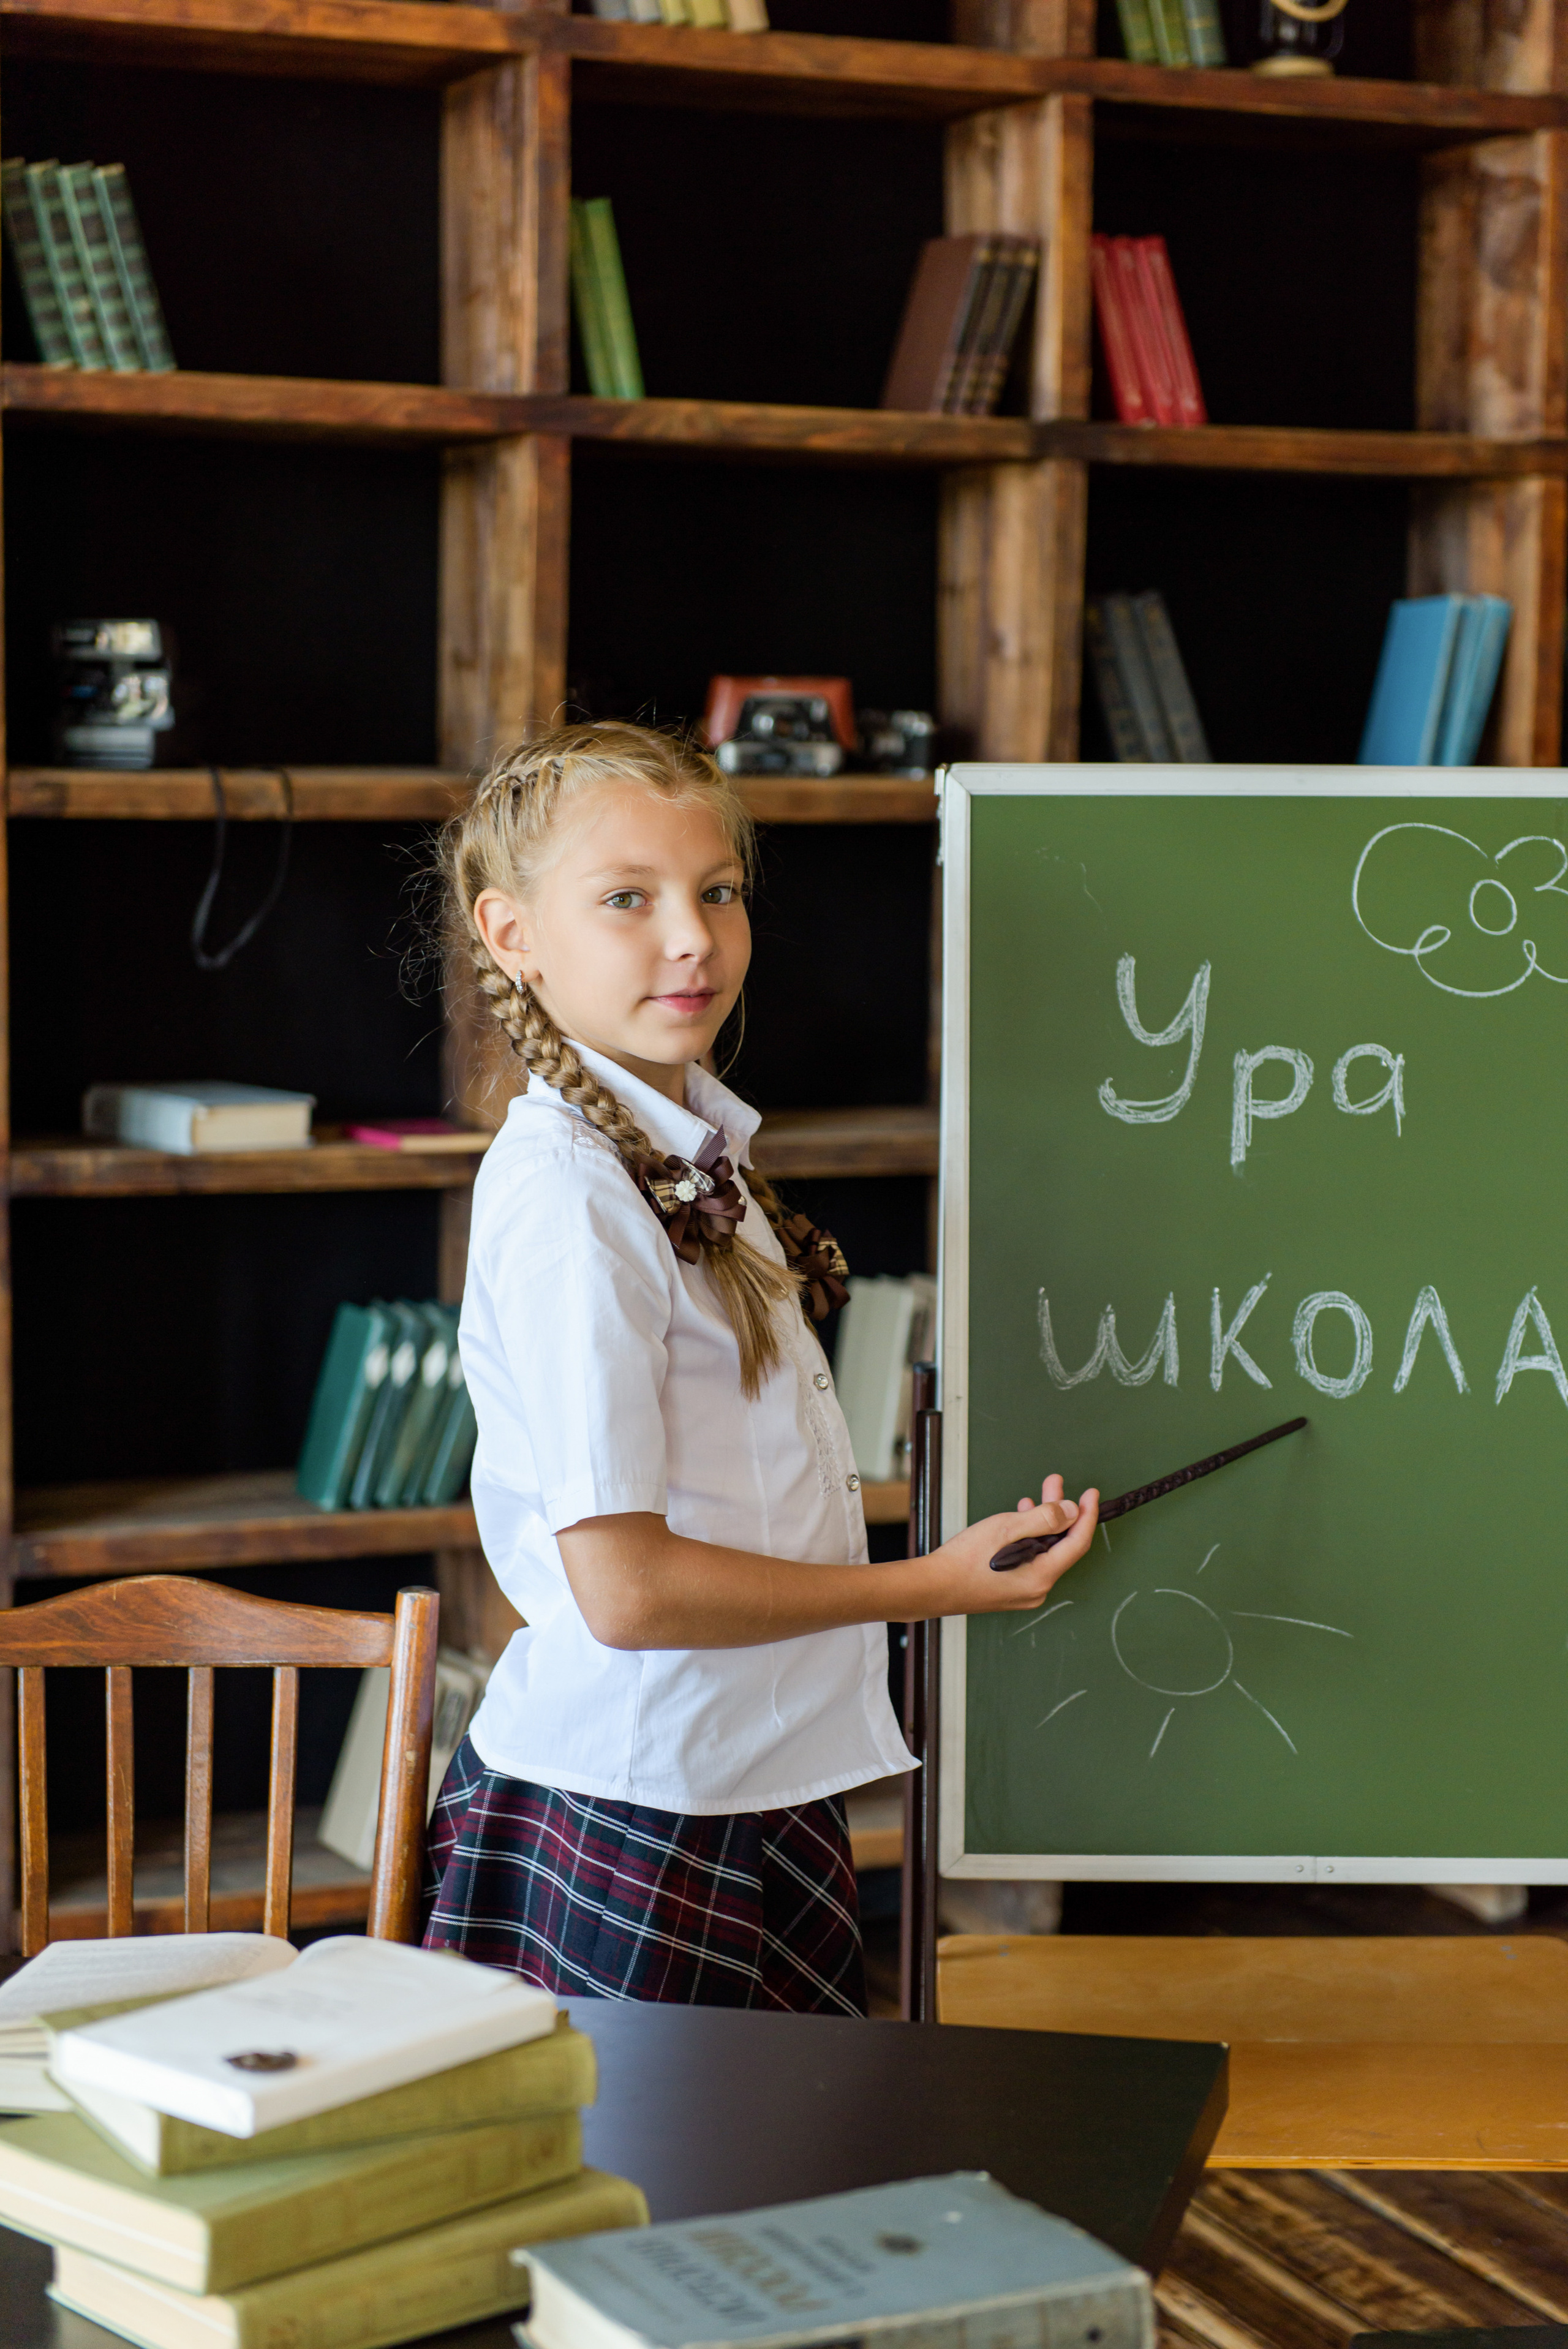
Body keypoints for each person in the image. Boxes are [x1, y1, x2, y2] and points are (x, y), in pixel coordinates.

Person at [423, 720, 1099, 2011]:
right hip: (644, 1798)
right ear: (512, 934)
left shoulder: (677, 1147)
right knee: (663, 2203)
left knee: (752, 2193)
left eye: (716, 891)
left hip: (740, 1772)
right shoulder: (572, 1195)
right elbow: (623, 1591)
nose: (692, 937)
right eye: (627, 899)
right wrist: (929, 1585)